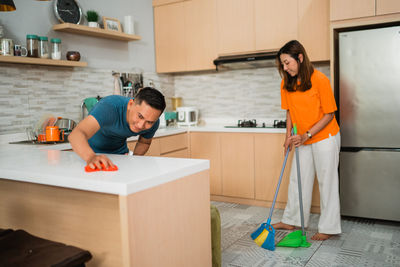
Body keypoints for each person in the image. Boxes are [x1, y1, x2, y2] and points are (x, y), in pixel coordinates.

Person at [272, 40, 341, 241]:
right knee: (298, 179)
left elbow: (329, 114)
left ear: (300, 58)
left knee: (326, 181)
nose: (285, 68)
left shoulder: (320, 79)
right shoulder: (286, 82)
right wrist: (288, 138)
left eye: (287, 63)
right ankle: (292, 219)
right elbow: (289, 111)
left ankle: (328, 227)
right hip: (302, 138)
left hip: (325, 137)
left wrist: (307, 135)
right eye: (282, 64)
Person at [69, 87, 166, 170]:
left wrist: (134, 159)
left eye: (149, 122)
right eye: (140, 116)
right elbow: (76, 134)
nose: (141, 125)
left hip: (121, 156)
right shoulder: (109, 107)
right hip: (88, 154)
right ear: (130, 104)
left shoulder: (153, 122)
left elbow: (144, 142)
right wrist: (90, 157)